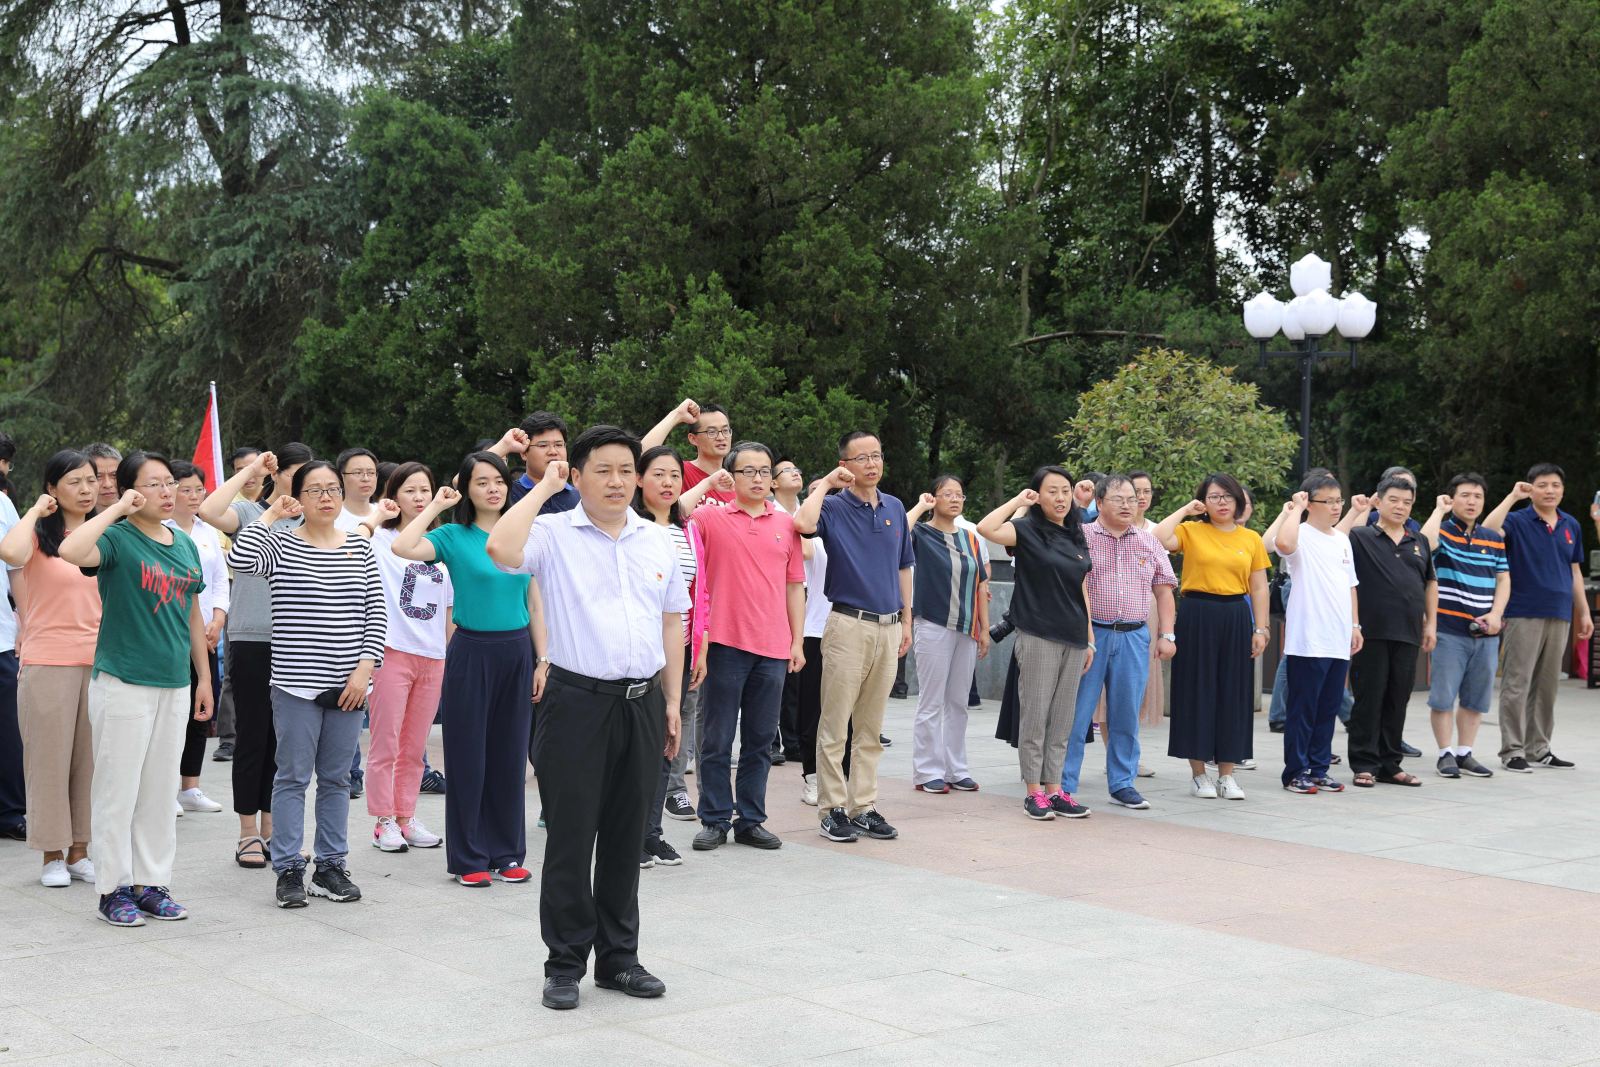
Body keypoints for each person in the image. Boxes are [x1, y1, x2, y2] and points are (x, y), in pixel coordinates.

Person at [486, 426, 686, 1012]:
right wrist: (544, 489)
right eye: (602, 470)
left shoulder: (658, 540)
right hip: (576, 703)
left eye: (626, 470)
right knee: (572, 839)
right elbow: (500, 550)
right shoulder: (552, 532)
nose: (617, 481)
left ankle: (619, 959)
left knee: (627, 837)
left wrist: (671, 701)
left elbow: (672, 621)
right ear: (576, 476)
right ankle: (565, 963)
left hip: (643, 701)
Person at [60, 452, 213, 926]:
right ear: (131, 491)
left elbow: (192, 612)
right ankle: (114, 889)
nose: (167, 492)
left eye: (170, 482)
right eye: (153, 484)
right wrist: (116, 509)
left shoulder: (183, 543)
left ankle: (152, 883)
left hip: (175, 682)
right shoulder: (116, 538)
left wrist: (203, 677)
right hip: (124, 681)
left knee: (160, 791)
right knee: (117, 789)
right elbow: (71, 550)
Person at [226, 460, 386, 908]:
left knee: (336, 778)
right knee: (293, 777)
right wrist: (271, 514)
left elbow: (376, 612)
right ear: (297, 497)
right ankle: (288, 869)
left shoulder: (359, 547)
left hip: (349, 686)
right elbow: (239, 559)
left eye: (332, 488)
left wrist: (364, 669)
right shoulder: (281, 544)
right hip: (295, 684)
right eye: (313, 490)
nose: (325, 497)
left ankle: (331, 866)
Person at [394, 451, 543, 887]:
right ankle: (469, 857)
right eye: (481, 482)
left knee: (509, 757)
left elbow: (536, 603)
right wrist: (437, 506)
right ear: (466, 488)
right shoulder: (453, 536)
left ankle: (507, 852)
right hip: (471, 652)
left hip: (518, 653)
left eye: (498, 480)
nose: (493, 488)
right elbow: (403, 546)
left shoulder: (524, 534)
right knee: (468, 758)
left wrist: (543, 660)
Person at [791, 431, 911, 844]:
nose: (872, 464)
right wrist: (826, 484)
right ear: (845, 464)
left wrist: (908, 620)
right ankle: (832, 809)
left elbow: (904, 566)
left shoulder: (895, 506)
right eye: (862, 458)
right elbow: (802, 524)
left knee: (871, 727)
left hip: (889, 625)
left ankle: (864, 806)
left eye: (876, 455)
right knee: (835, 722)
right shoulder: (833, 506)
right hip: (847, 624)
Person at [200, 444, 314, 869]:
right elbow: (209, 510)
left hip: (298, 642)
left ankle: (275, 831)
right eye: (295, 474)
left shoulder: (314, 522)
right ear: (277, 474)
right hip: (252, 639)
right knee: (253, 737)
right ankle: (247, 832)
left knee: (286, 743)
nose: (302, 484)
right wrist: (250, 470)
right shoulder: (250, 512)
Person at [687, 441, 805, 852]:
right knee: (717, 738)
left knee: (760, 740)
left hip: (773, 646)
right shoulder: (709, 518)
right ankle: (715, 818)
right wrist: (707, 484)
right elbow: (673, 513)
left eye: (764, 471)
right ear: (731, 476)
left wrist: (796, 641)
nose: (758, 478)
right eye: (748, 471)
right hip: (724, 644)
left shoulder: (786, 523)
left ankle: (751, 820)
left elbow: (794, 586)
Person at [0, 451, 102, 883]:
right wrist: (34, 512)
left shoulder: (104, 533)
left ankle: (80, 851)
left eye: (91, 480)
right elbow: (9, 552)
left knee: (89, 763)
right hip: (47, 660)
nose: (86, 489)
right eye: (74, 482)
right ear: (52, 488)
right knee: (48, 761)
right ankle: (52, 855)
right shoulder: (39, 536)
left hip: (100, 660)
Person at [978, 467, 1094, 820]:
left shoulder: (1075, 533)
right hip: (1038, 633)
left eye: (1066, 490)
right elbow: (986, 528)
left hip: (1074, 636)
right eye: (1052, 491)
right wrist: (1019, 500)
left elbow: (1082, 587)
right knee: (1035, 714)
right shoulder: (1026, 529)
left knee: (1062, 719)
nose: (1061, 498)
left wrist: (1089, 638)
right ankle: (1033, 792)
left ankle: (1055, 790)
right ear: (1038, 495)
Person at [1058, 475, 1175, 810]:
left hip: (1134, 636)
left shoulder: (1149, 541)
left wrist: (1167, 634)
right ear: (1099, 502)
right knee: (1077, 714)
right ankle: (1063, 784)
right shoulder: (1081, 536)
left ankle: (1123, 783)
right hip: (1090, 635)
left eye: (1132, 499)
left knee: (1126, 713)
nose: (1128, 505)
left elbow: (1164, 591)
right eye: (1119, 499)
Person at [353, 462, 453, 852]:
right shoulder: (382, 540)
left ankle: (405, 816)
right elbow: (352, 540)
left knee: (414, 746)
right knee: (386, 743)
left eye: (425, 490)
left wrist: (449, 655)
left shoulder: (440, 546)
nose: (419, 497)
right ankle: (383, 821)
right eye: (410, 490)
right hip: (391, 652)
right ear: (394, 495)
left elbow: (448, 609)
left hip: (432, 657)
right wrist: (379, 515)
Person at [1153, 473, 1270, 801]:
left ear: (1238, 501)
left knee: (1234, 693)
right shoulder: (1191, 530)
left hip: (1235, 615)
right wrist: (1184, 510)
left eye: (1227, 496)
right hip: (1197, 614)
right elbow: (1157, 537)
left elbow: (1259, 587)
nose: (1222, 502)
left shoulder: (1251, 538)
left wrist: (1261, 628)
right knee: (1196, 691)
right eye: (1214, 496)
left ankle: (1227, 775)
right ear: (1204, 501)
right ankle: (1199, 774)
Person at [632, 446, 714, 866]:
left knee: (668, 738)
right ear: (639, 479)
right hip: (637, 651)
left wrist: (700, 645)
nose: (668, 483)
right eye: (658, 474)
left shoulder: (688, 530)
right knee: (636, 746)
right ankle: (628, 834)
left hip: (678, 649)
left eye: (674, 476)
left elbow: (701, 591)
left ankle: (651, 834)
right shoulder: (629, 527)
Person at [1483, 465, 1594, 771]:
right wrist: (1512, 497)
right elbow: (1488, 531)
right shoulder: (1517, 520)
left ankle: (1539, 747)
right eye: (1542, 485)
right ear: (1531, 489)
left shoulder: (1571, 524)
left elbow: (1575, 571)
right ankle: (1512, 751)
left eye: (1555, 485)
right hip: (1523, 611)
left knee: (1547, 685)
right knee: (1517, 682)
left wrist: (1584, 611)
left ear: (1563, 489)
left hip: (1559, 612)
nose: (1550, 490)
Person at [1270, 475, 1361, 795]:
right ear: (1311, 502)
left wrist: (1355, 626)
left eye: (1339, 501)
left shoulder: (1342, 540)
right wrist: (1296, 508)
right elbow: (1282, 545)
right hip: (1308, 640)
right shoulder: (1300, 534)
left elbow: (1351, 586)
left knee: (1327, 709)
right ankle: (1296, 772)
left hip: (1337, 639)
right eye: (1329, 501)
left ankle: (1319, 768)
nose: (1336, 507)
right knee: (1303, 709)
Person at [1344, 477, 1437, 787]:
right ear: (1379, 501)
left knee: (1398, 698)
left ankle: (1390, 763)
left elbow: (1430, 583)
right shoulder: (1360, 536)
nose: (1400, 507)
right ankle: (1364, 763)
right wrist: (1359, 509)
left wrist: (1431, 623)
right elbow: (1335, 543)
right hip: (1370, 631)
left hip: (1408, 631)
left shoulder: (1419, 541)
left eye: (1407, 502)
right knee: (1369, 698)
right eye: (1394, 500)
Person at [1418, 474, 1509, 779]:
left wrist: (1496, 614)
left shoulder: (1493, 538)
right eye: (1465, 495)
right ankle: (1444, 753)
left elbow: (1503, 579)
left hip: (1485, 632)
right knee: (1443, 697)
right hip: (1448, 629)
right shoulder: (1442, 531)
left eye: (1478, 496)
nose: (1472, 502)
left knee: (1476, 699)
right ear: (1452, 498)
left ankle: (1464, 753)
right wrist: (1439, 510)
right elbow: (1425, 543)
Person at [904, 475, 990, 794]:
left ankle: (956, 769)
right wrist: (920, 506)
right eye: (947, 494)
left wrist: (984, 628)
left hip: (967, 627)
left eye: (959, 494)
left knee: (958, 702)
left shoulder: (971, 538)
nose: (954, 499)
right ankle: (927, 771)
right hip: (933, 623)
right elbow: (895, 534)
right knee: (931, 701)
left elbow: (981, 585)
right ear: (934, 498)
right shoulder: (921, 533)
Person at [168, 460, 228, 814]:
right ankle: (163, 789)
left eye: (198, 490)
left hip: (206, 637)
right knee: (171, 713)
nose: (193, 496)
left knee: (200, 712)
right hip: (170, 635)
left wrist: (218, 619)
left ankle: (190, 787)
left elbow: (220, 580)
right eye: (185, 489)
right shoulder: (160, 530)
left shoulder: (208, 532)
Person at [211, 445, 263, 764]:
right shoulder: (230, 506)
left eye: (255, 468)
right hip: (237, 589)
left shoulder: (282, 501)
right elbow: (222, 552)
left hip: (275, 591)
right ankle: (229, 738)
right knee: (234, 667)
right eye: (243, 470)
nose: (251, 475)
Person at [642, 398, 736, 504]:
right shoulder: (680, 472)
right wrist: (677, 414)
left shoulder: (735, 485)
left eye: (725, 430)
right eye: (712, 432)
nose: (721, 437)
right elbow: (644, 456)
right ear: (693, 439)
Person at [494, 413, 582, 512]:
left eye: (558, 445)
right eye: (543, 445)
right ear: (524, 453)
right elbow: (479, 470)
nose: (553, 452)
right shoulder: (506, 494)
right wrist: (503, 445)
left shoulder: (581, 497)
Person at [0, 448, 21, 844]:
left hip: (2, 636)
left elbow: (19, 565)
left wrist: (25, 622)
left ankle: (11, 811)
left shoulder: (2, 504)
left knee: (7, 728)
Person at [335, 448, 381, 532]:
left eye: (371, 473)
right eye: (358, 473)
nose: (366, 479)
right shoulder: (332, 517)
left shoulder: (385, 513)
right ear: (341, 477)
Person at [82, 442, 122, 511]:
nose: (108, 485)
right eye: (98, 477)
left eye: (114, 475)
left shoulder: (136, 514)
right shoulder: (71, 516)